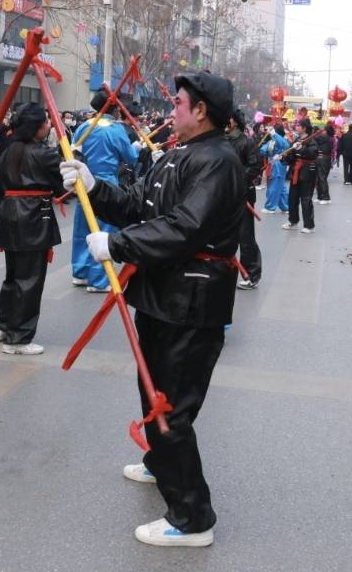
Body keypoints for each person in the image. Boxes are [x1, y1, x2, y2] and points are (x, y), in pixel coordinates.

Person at [59, 70, 244, 547]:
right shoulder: (179, 154)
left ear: (201, 110)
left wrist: (116, 245)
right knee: (152, 387)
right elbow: (142, 205)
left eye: (179, 102)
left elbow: (185, 228)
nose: (173, 110)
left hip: (192, 300)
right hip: (163, 295)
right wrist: (94, 186)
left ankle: (191, 517)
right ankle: (159, 461)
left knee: (173, 407)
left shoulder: (218, 161)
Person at [0, 103, 64, 355]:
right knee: (30, 278)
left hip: (11, 212)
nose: (48, 125)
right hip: (33, 214)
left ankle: (4, 324)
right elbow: (62, 183)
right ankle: (18, 337)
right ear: (35, 127)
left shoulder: (8, 150)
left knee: (14, 274)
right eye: (44, 122)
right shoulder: (44, 154)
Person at [70, 90, 140, 293]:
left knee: (82, 228)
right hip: (107, 184)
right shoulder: (116, 130)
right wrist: (136, 148)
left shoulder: (84, 126)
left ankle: (80, 272)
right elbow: (130, 158)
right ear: (115, 108)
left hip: (85, 182)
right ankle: (99, 280)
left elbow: (75, 151)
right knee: (104, 230)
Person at [225, 109, 261, 288]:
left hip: (242, 193)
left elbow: (255, 166)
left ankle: (252, 273)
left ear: (234, 121)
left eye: (228, 118)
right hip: (224, 195)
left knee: (245, 235)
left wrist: (237, 179)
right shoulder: (222, 141)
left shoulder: (247, 142)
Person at [281, 119, 318, 232]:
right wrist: (284, 157)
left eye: (298, 125)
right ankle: (293, 221)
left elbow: (312, 154)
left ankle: (309, 225)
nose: (296, 127)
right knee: (292, 198)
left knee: (306, 199)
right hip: (295, 172)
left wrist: (302, 148)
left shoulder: (311, 141)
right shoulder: (297, 140)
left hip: (307, 173)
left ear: (304, 128)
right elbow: (292, 156)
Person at [260, 123, 290, 213]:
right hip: (273, 163)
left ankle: (270, 207)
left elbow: (286, 146)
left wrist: (274, 134)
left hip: (278, 165)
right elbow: (263, 150)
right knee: (281, 187)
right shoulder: (272, 141)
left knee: (274, 186)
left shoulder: (283, 140)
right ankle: (285, 206)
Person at [315, 123, 334, 203]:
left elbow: (315, 138)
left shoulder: (325, 137)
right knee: (319, 178)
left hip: (324, 160)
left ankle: (326, 197)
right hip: (323, 160)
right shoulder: (328, 137)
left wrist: (315, 132)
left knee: (322, 178)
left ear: (326, 131)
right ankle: (320, 196)